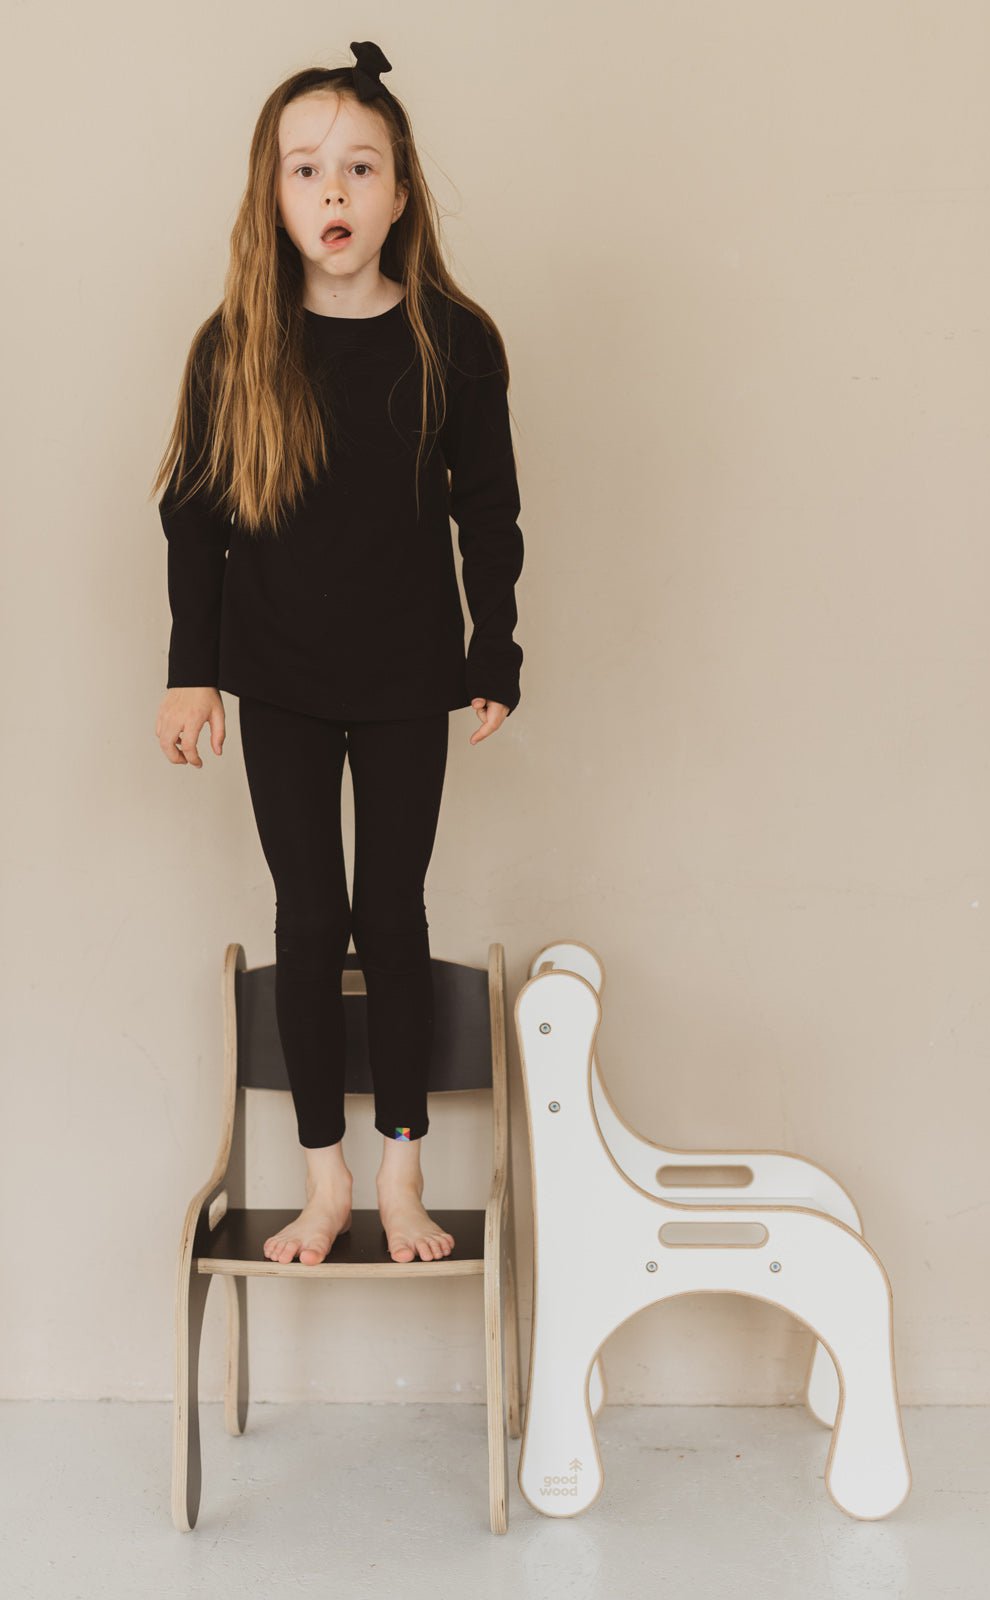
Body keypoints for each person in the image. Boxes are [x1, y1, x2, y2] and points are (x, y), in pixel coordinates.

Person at [150, 41, 524, 1269]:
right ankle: (325, 1180)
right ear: (273, 195)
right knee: (309, 920)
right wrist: (189, 670)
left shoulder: (453, 340)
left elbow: (488, 510)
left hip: (412, 675)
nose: (334, 194)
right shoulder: (235, 346)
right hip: (283, 679)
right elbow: (194, 518)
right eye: (305, 170)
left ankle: (404, 1173)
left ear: (400, 190)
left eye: (359, 169)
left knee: (392, 913)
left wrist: (495, 651)